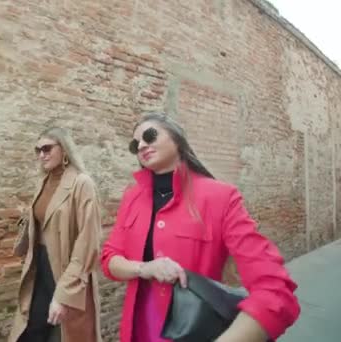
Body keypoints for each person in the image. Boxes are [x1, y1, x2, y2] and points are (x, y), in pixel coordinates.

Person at [100, 113, 300, 342]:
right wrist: (144, 268)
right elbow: (109, 259)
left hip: (194, 329)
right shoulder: (132, 197)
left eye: (150, 135)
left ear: (177, 139)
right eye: (135, 144)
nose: (142, 145)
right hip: (138, 329)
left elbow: (275, 291)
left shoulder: (221, 197)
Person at [8, 127, 102, 342]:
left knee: (63, 334)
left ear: (65, 150)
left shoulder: (82, 184)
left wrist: (64, 294)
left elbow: (87, 243)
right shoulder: (43, 181)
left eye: (47, 148)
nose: (42, 155)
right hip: (39, 265)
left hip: (67, 270)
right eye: (38, 150)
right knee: (31, 330)